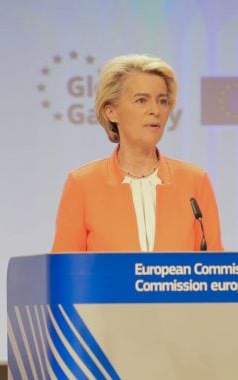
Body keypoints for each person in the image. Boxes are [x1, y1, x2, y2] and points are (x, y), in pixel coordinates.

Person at [51, 54, 223, 252]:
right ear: (111, 112)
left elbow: (214, 270)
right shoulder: (82, 184)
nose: (155, 110)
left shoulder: (195, 181)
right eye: (142, 100)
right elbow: (65, 273)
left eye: (163, 101)